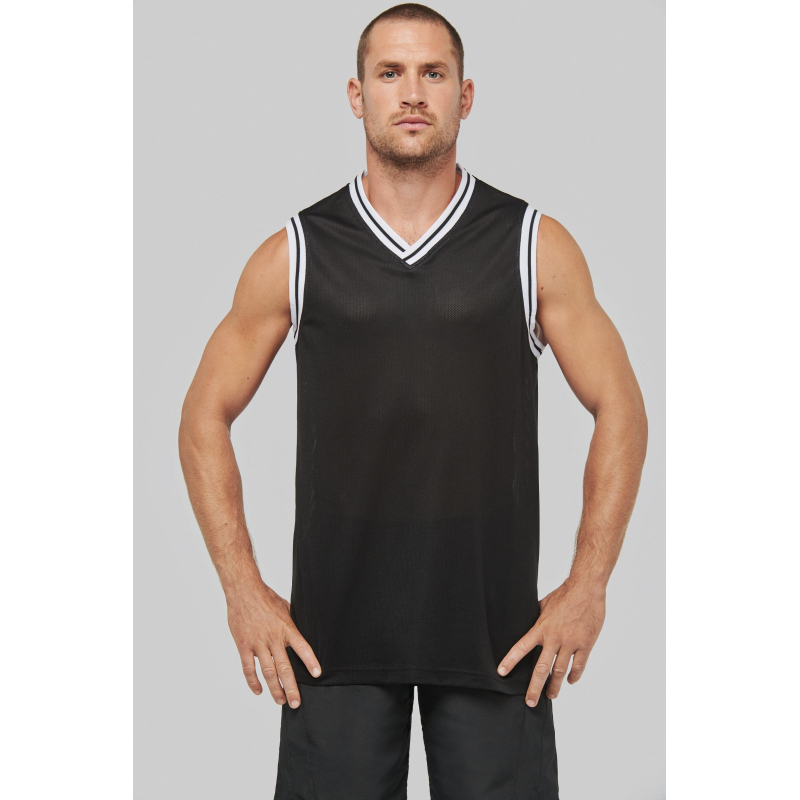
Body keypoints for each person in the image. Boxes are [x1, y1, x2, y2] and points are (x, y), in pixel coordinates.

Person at [178, 4, 648, 798]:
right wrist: (241, 590)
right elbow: (202, 416)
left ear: (465, 95)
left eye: (433, 73)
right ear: (356, 95)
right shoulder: (297, 251)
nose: (412, 92)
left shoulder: (533, 244)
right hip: (333, 644)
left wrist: (589, 584)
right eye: (390, 72)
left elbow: (622, 408)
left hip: (497, 640)